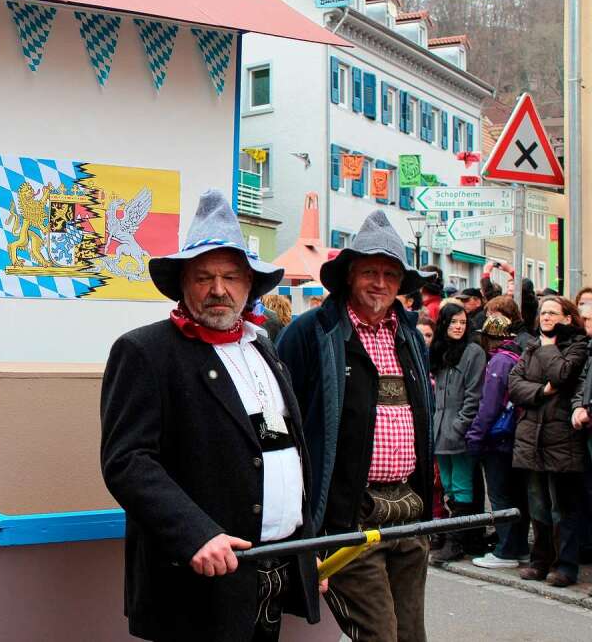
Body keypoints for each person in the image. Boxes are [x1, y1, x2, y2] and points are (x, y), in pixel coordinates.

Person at [100, 190, 320, 641]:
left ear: (249, 285)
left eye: (231, 277)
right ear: (183, 283)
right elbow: (128, 462)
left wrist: (305, 548)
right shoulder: (145, 352)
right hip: (196, 588)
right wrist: (195, 534)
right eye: (204, 277)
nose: (219, 290)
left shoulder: (263, 347)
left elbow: (283, 448)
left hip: (270, 568)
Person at [277, 211, 434, 642]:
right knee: (379, 636)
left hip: (407, 513)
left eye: (389, 274)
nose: (379, 283)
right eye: (369, 271)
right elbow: (280, 424)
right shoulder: (311, 332)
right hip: (348, 519)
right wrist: (305, 528)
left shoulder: (410, 336)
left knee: (411, 636)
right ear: (348, 275)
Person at [509, 296, 588, 587]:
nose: (545, 317)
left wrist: (550, 349)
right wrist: (543, 390)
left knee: (562, 508)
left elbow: (563, 374)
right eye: (543, 313)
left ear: (568, 318)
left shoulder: (577, 346)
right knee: (538, 506)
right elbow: (514, 385)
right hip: (532, 438)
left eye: (553, 313)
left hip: (562, 440)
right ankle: (540, 561)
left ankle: (565, 566)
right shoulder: (531, 347)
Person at [466, 316, 530, 569]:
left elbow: (489, 406)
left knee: (501, 496)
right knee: (517, 495)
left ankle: (506, 551)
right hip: (517, 437)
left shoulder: (499, 362)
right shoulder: (518, 356)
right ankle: (520, 548)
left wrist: (474, 437)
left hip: (498, 439)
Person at [428, 302, 486, 563]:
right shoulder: (440, 351)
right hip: (440, 429)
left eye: (463, 322)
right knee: (448, 485)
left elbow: (474, 395)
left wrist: (459, 426)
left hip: (458, 431)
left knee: (461, 486)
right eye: (454, 322)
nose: (459, 327)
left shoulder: (473, 352)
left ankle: (457, 542)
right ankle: (453, 537)